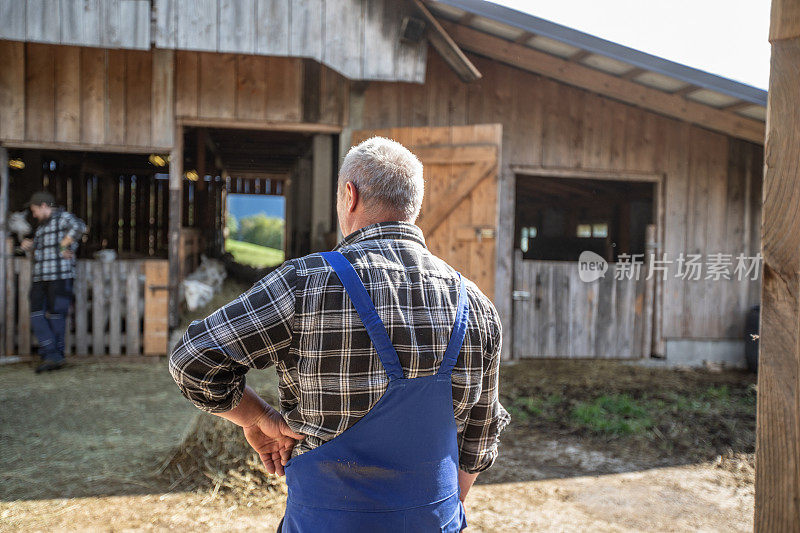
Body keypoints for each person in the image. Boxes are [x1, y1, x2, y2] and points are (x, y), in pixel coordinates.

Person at [169, 137, 510, 532]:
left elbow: (192, 360)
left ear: (349, 196)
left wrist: (257, 416)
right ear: (414, 206)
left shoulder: (304, 283)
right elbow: (478, 443)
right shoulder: (476, 306)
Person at [20, 191, 86, 373]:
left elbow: (79, 226)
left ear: (44, 206)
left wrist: (64, 245)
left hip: (61, 275)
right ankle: (53, 354)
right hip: (40, 276)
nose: (34, 215)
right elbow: (40, 251)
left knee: (57, 314)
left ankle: (53, 355)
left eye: (35, 211)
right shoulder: (41, 227)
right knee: (36, 313)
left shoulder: (63, 218)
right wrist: (29, 247)